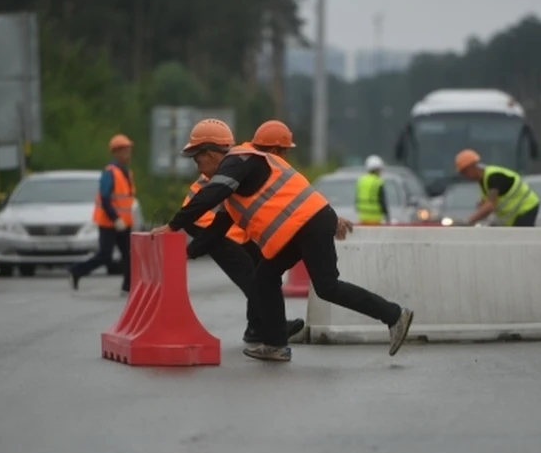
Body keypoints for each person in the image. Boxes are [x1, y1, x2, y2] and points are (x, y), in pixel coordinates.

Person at [149, 118, 414, 363]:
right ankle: (275, 344)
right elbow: (217, 229)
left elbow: (212, 193)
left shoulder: (238, 160)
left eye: (197, 160)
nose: (197, 167)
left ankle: (394, 315)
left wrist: (173, 225)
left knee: (327, 287)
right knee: (263, 278)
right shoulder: (233, 186)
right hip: (298, 228)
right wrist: (186, 253)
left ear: (210, 153)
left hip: (309, 224)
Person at [182, 172, 306, 344]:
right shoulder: (252, 168)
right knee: (253, 278)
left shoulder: (251, 166)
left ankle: (256, 328)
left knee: (262, 270)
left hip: (230, 230)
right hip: (209, 226)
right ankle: (272, 327)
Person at [70, 134, 135, 295]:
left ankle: (128, 288)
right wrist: (116, 219)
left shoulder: (127, 172)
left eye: (129, 151)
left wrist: (123, 221)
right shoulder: (110, 173)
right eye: (125, 151)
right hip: (108, 222)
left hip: (124, 223)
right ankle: (77, 270)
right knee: (105, 256)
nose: (128, 154)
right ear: (117, 152)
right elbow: (105, 199)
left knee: (130, 256)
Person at [454, 149, 540, 226]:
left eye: (465, 172)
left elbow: (490, 205)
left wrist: (469, 221)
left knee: (519, 238)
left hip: (526, 207)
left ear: (472, 166)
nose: (464, 176)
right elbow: (488, 203)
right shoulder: (483, 181)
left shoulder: (493, 177)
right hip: (515, 214)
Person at [355, 155, 389, 224]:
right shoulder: (378, 182)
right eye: (379, 169)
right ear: (376, 169)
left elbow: (356, 199)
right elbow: (382, 201)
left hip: (362, 218)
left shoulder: (361, 180)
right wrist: (387, 216)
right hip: (375, 219)